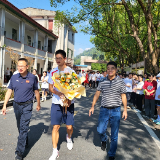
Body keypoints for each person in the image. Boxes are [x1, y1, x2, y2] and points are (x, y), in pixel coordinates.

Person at [2, 58, 41, 160]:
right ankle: (25, 139)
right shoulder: (14, 77)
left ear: (27, 66)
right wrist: (5, 105)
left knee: (23, 128)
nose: (20, 68)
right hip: (16, 105)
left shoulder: (33, 77)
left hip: (27, 105)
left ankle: (19, 153)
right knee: (20, 127)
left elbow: (36, 91)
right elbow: (9, 91)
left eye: (22, 66)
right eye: (18, 66)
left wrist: (38, 104)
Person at [89, 61, 127, 160]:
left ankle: (111, 154)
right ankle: (104, 139)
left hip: (116, 110)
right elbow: (97, 94)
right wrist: (92, 106)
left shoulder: (120, 82)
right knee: (100, 130)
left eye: (112, 68)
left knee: (114, 134)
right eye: (108, 68)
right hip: (104, 110)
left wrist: (125, 110)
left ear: (116, 70)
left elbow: (123, 96)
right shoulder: (102, 81)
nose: (110, 70)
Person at [48, 50, 75, 160]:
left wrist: (69, 98)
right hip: (56, 102)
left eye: (60, 58)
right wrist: (58, 93)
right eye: (56, 58)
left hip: (68, 103)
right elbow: (50, 88)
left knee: (69, 126)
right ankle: (55, 151)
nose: (58, 60)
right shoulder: (53, 72)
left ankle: (69, 137)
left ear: (64, 59)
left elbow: (74, 88)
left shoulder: (71, 71)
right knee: (55, 127)